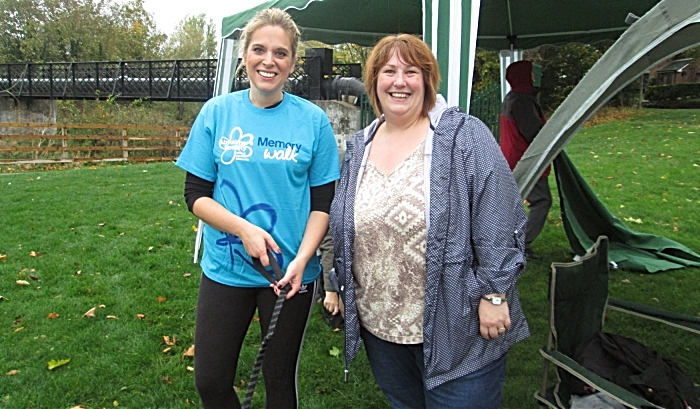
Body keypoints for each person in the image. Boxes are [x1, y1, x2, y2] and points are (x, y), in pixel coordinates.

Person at [329, 34, 529, 409]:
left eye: (411, 71)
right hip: (383, 329)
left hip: (459, 327)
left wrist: (495, 292)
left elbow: (499, 215)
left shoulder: (463, 136)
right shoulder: (360, 146)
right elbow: (344, 223)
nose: (399, 81)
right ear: (374, 81)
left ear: (427, 80)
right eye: (388, 71)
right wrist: (336, 283)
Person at [175, 8, 340, 409]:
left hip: (290, 273)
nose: (269, 61)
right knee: (211, 380)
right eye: (260, 50)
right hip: (226, 266)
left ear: (293, 61)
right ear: (244, 55)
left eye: (281, 53)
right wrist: (243, 229)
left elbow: (323, 205)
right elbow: (195, 194)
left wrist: (303, 259)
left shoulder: (313, 122)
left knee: (279, 383)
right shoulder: (217, 113)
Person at [499, 60, 551, 260]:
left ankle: (508, 241)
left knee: (512, 203)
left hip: (514, 157)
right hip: (526, 160)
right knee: (542, 200)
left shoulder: (514, 97)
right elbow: (533, 133)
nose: (533, 77)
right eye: (530, 74)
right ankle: (522, 244)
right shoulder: (521, 101)